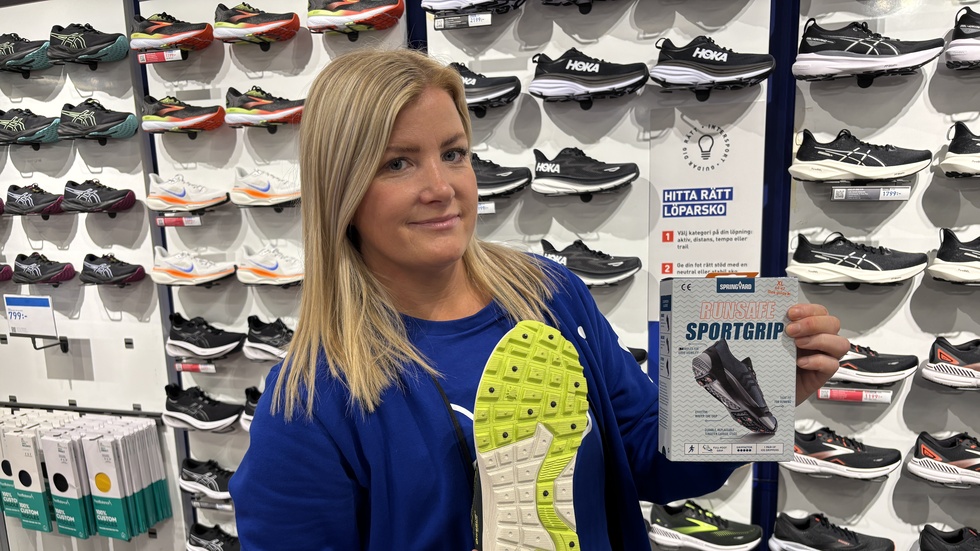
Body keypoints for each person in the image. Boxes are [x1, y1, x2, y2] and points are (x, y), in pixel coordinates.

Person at [228, 48, 848, 551]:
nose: (441, 187)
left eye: (453, 154)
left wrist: (769, 394)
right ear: (342, 186)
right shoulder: (309, 402)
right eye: (398, 164)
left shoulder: (549, 293)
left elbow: (643, 454)